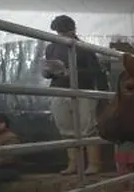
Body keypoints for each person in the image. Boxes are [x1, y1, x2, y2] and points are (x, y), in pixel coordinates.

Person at [43, 15, 108, 175]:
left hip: (82, 90)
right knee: (65, 127)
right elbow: (48, 70)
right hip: (59, 88)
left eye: (64, 32)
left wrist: (72, 72)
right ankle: (74, 164)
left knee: (87, 127)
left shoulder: (83, 48)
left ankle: (94, 163)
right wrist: (48, 72)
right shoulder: (51, 48)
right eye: (59, 32)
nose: (61, 35)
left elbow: (95, 72)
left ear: (72, 30)